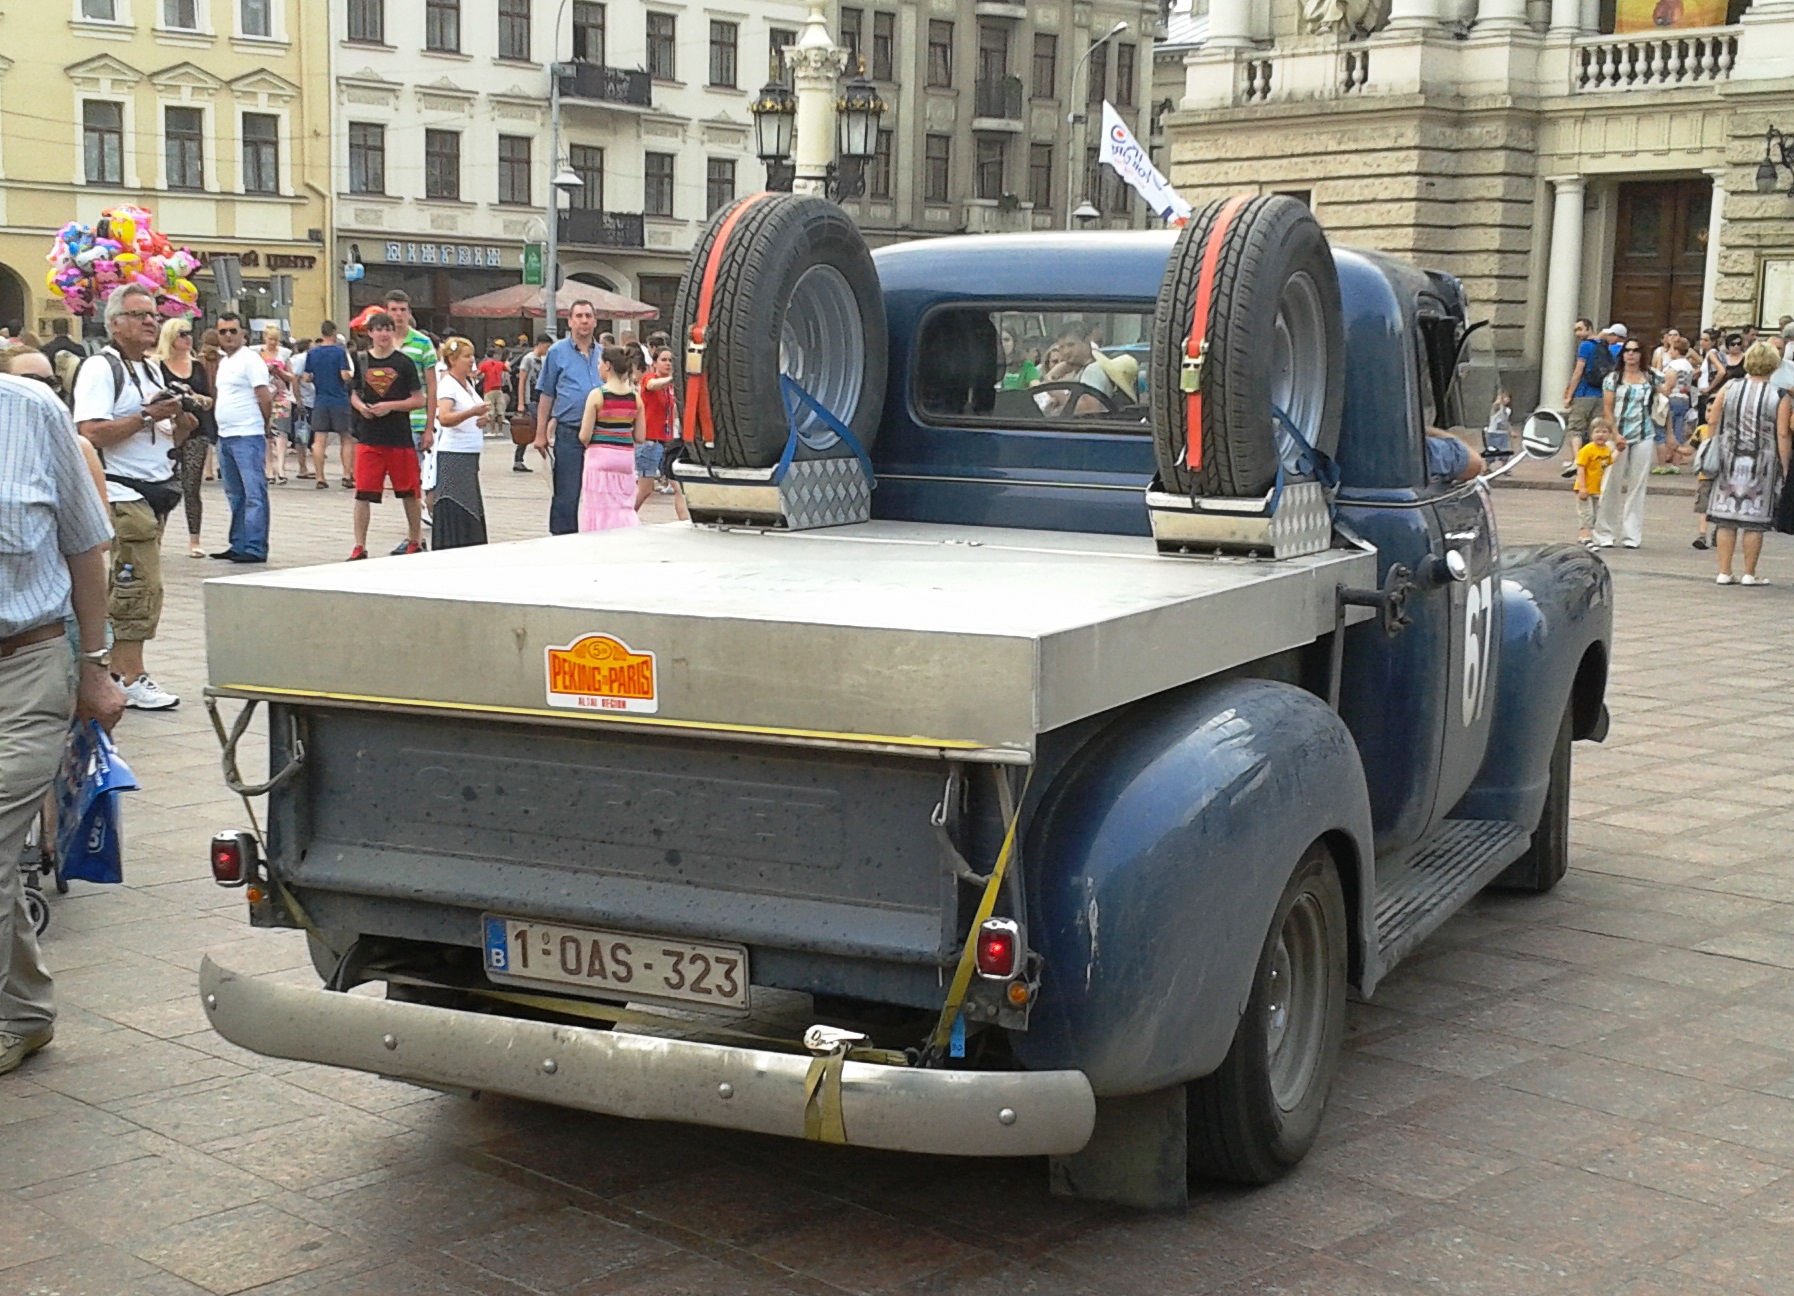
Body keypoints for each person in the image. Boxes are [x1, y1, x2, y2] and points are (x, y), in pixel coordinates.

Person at [0, 372, 126, 1077]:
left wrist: (95, 666)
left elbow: (85, 548)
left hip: (27, 664)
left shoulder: (30, 410)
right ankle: (23, 1012)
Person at [71, 283, 193, 711]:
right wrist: (146, 416)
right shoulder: (101, 368)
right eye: (140, 315)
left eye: (154, 315)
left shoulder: (151, 370)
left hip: (153, 492)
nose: (150, 322)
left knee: (137, 586)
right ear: (115, 323)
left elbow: (164, 432)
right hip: (123, 492)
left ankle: (116, 670)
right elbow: (90, 432)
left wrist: (181, 421)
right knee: (137, 588)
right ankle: (128, 675)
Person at [1705, 341, 1792, 586]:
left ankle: (1724, 571)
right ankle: (1749, 573)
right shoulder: (1779, 395)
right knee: (1755, 521)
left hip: (1728, 458)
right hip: (1762, 462)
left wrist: (1711, 445)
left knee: (1726, 518)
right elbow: (1782, 433)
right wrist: (1785, 466)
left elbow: (1713, 418)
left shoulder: (1729, 387)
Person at [347, 311, 428, 560]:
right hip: (369, 438)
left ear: (393, 332)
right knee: (363, 493)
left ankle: (415, 539)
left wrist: (390, 406)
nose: (383, 334)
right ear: (370, 333)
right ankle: (359, 545)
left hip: (399, 438)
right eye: (378, 329)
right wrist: (362, 408)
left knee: (409, 491)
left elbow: (418, 399)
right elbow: (353, 393)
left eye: (387, 329)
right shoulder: (361, 360)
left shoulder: (404, 363)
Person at [534, 301, 603, 534]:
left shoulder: (604, 354)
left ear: (595, 321)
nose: (584, 321)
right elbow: (547, 394)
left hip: (601, 433)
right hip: (569, 432)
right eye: (579, 316)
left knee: (599, 492)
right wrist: (540, 433)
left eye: (588, 316)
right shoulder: (556, 352)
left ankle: (597, 536)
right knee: (567, 492)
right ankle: (562, 538)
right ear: (570, 321)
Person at [210, 312, 273, 564]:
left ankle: (255, 546)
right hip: (225, 434)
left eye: (232, 331)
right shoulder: (225, 361)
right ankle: (238, 542)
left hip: (247, 433)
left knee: (254, 492)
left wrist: (264, 423)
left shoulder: (251, 360)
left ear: (243, 334)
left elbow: (264, 395)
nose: (228, 336)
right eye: (223, 331)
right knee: (234, 493)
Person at [154, 318, 215, 559]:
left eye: (190, 333)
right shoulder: (157, 365)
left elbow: (209, 399)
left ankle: (194, 540)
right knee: (163, 484)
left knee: (191, 486)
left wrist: (195, 397)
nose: (188, 338)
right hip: (167, 432)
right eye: (182, 334)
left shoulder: (197, 365)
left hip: (196, 431)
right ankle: (157, 537)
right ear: (170, 337)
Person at [1591, 336, 1659, 549]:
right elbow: (1608, 409)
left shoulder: (1650, 377)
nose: (1631, 354)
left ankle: (1632, 535)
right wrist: (1615, 433)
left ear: (1641, 354)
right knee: (1611, 483)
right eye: (1627, 350)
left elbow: (1663, 397)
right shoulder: (1613, 378)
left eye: (1635, 350)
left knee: (1638, 485)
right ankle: (1604, 532)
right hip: (1618, 434)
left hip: (1644, 432)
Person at [576, 344, 644, 532]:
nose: (598, 367)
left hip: (599, 457)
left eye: (599, 363)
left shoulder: (597, 395)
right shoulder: (635, 397)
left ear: (607, 365)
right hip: (625, 458)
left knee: (598, 508)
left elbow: (584, 435)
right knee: (624, 505)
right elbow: (640, 436)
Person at [431, 337, 489, 550]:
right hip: (455, 454)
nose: (471, 360)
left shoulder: (468, 385)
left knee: (469, 500)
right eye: (466, 356)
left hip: (470, 454)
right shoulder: (448, 385)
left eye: (472, 355)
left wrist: (482, 419)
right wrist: (472, 412)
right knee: (457, 500)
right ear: (453, 360)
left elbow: (471, 413)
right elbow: (445, 418)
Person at [306, 321, 355, 489]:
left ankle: (320, 477)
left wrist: (318, 378)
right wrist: (350, 377)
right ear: (334, 333)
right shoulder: (340, 352)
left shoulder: (313, 353)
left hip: (320, 400)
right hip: (339, 399)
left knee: (319, 440)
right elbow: (345, 376)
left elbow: (306, 377)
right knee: (346, 438)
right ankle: (346, 475)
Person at [1562, 318, 1612, 475]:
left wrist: (1569, 393)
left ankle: (1578, 461)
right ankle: (1594, 462)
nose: (1577, 333)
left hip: (1584, 394)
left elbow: (1579, 371)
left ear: (1589, 329)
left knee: (1576, 428)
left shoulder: (1585, 346)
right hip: (1601, 394)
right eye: (1575, 330)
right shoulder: (1604, 345)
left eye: (1580, 329)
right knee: (1595, 429)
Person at [635, 346, 675, 511]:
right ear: (654, 363)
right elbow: (652, 385)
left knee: (678, 489)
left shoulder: (670, 387)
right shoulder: (649, 378)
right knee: (645, 489)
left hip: (665, 442)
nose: (668, 363)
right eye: (663, 360)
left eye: (670, 360)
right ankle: (625, 516)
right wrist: (673, 378)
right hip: (649, 442)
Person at [1572, 419, 1616, 548]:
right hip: (1585, 488)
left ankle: (1583, 536)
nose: (1600, 435)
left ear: (1609, 435)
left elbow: (1609, 461)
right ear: (1591, 434)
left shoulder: (1606, 450)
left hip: (1596, 489)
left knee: (1595, 514)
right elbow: (1580, 468)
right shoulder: (1587, 450)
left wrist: (1618, 450)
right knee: (1586, 514)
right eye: (1597, 432)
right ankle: (1586, 538)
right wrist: (1582, 487)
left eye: (1604, 432)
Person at [1657, 335, 1696, 471]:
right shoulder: (1689, 366)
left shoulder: (1673, 365)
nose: (1670, 352)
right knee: (1679, 431)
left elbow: (1668, 383)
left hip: (1672, 397)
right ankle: (1676, 463)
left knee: (1666, 431)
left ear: (1677, 350)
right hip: (1684, 398)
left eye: (1672, 349)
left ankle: (1663, 462)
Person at [512, 335, 550, 473]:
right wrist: (521, 403)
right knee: (528, 428)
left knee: (537, 427)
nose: (548, 349)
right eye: (546, 347)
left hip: (541, 399)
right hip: (530, 399)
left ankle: (542, 454)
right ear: (540, 344)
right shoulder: (528, 359)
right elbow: (522, 381)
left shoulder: (544, 359)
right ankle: (519, 459)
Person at [40, 318, 87, 397]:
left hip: (53, 392)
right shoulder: (79, 349)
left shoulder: (46, 349)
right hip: (74, 390)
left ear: (52, 330)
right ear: (69, 330)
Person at [477, 342, 510, 437]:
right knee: (500, 411)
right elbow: (508, 370)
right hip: (499, 389)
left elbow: (478, 374)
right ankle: (500, 431)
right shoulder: (500, 364)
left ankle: (492, 431)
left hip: (488, 389)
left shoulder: (484, 364)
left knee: (490, 411)